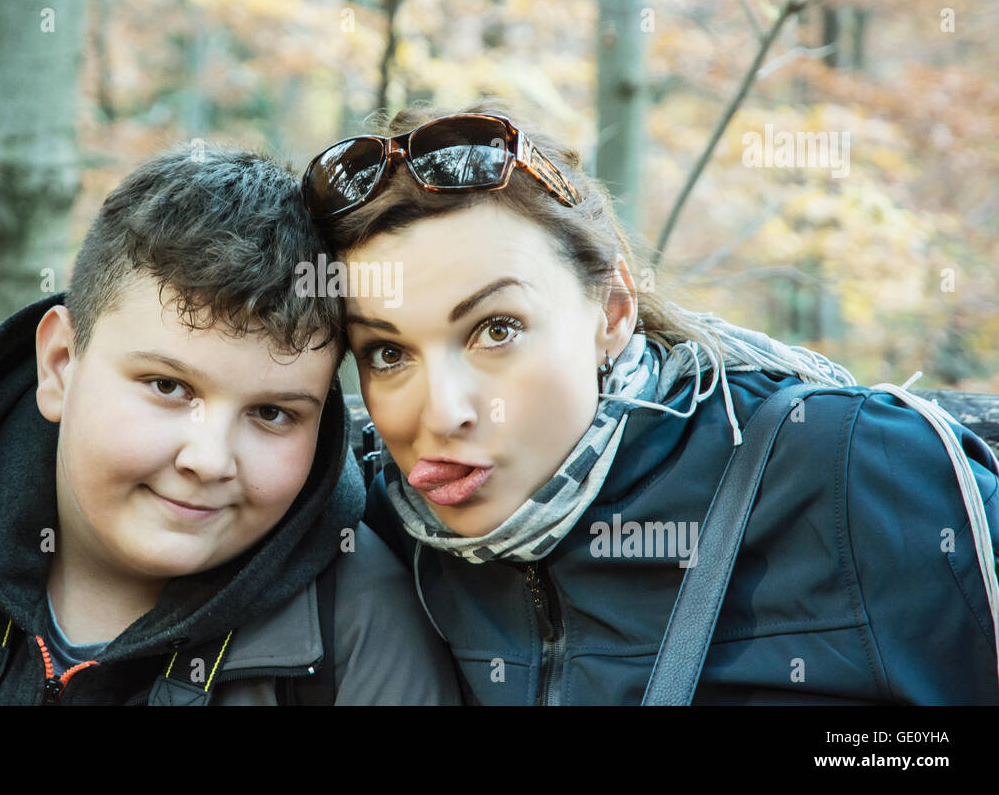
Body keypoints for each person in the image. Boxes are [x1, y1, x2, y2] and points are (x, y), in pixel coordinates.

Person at [0, 145, 461, 705]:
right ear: (62, 364)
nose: (207, 457)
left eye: (271, 413)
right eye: (167, 385)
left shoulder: (360, 630)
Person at [302, 99, 999, 704]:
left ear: (610, 311)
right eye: (388, 353)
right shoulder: (379, 533)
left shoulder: (856, 474)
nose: (442, 411)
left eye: (496, 329)